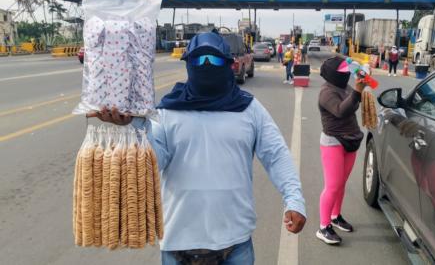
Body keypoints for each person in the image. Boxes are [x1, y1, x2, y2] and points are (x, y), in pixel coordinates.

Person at [89, 31, 307, 264]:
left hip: (235, 245)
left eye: (213, 60)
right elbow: (155, 162)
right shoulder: (167, 111)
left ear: (228, 65)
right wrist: (135, 127)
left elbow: (276, 155)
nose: (205, 65)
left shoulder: (249, 109)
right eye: (197, 60)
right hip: (178, 245)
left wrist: (294, 199)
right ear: (188, 65)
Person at [316, 56, 365, 245]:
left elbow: (354, 102)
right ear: (334, 74)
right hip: (333, 142)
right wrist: (357, 92)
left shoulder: (345, 87)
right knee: (333, 186)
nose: (347, 73)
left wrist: (361, 88)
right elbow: (340, 110)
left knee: (341, 184)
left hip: (351, 140)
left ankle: (335, 216)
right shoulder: (326, 92)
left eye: (348, 71)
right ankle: (323, 226)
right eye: (343, 71)